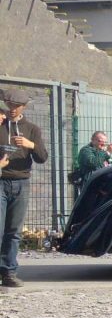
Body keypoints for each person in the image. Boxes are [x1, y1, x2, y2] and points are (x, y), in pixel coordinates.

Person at [1, 89, 49, 288]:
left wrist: (30, 145)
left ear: (24, 107)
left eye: (16, 106)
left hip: (22, 183)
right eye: (9, 105)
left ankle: (9, 272)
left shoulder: (32, 129)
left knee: (14, 231)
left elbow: (42, 157)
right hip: (1, 181)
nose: (13, 109)